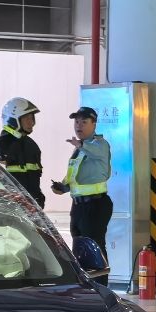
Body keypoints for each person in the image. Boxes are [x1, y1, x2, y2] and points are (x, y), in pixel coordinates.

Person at [51, 106, 112, 258]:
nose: (79, 126)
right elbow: (74, 175)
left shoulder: (100, 144)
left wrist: (80, 145)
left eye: (84, 122)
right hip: (78, 206)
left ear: (94, 124)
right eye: (76, 122)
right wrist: (63, 187)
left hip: (95, 205)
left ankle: (100, 275)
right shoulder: (79, 149)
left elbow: (95, 151)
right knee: (79, 248)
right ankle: (84, 274)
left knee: (94, 247)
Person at [0, 97, 45, 207]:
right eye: (26, 118)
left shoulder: (32, 145)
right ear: (14, 120)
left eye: (32, 118)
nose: (31, 122)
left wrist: (39, 200)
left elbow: (34, 180)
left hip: (33, 208)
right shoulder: (2, 145)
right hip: (10, 208)